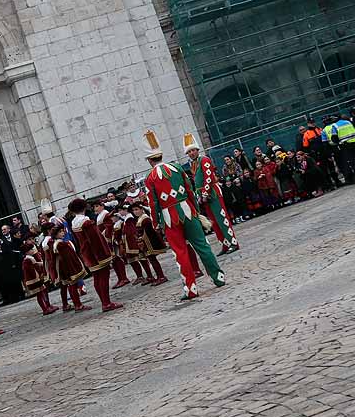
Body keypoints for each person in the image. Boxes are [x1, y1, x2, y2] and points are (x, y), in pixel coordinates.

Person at [142, 129, 226, 300]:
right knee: (202, 245)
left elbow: (153, 202)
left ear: (150, 159)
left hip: (169, 218)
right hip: (188, 211)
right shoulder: (177, 167)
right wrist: (195, 209)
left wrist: (155, 222)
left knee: (180, 252)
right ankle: (218, 277)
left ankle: (191, 288)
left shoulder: (150, 178)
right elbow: (189, 189)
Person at [184, 135, 240, 255]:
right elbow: (196, 181)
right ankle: (225, 244)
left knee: (221, 218)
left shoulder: (204, 160)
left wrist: (204, 193)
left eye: (193, 150)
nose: (191, 153)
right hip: (204, 196)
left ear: (197, 150)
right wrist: (198, 196)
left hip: (212, 194)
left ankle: (233, 242)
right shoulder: (193, 164)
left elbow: (208, 178)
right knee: (213, 222)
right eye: (189, 152)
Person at [68, 198, 122, 313]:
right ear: (84, 208)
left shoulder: (74, 222)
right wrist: (105, 254)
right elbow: (95, 240)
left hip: (87, 253)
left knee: (97, 278)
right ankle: (106, 303)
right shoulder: (86, 222)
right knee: (103, 277)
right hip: (96, 253)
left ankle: (104, 302)